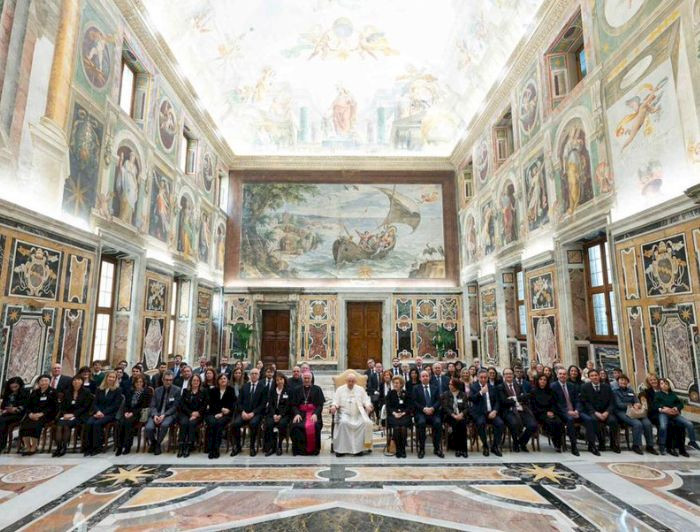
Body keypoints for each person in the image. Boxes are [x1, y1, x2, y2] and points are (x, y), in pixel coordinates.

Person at [330, 372, 373, 456]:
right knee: (343, 423)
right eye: (349, 381)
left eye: (352, 381)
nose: (351, 383)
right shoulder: (340, 389)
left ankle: (359, 449)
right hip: (344, 414)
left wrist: (368, 405)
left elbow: (366, 400)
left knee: (364, 423)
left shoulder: (360, 389)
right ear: (346, 381)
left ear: (355, 381)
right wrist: (334, 406)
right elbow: (335, 401)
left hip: (358, 414)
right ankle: (341, 450)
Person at [613, 374, 656, 455]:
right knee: (637, 424)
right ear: (618, 382)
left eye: (625, 380)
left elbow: (636, 400)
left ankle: (650, 446)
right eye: (621, 380)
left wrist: (637, 404)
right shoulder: (615, 392)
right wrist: (631, 405)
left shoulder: (630, 391)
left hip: (635, 411)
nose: (623, 381)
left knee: (647, 424)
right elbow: (619, 404)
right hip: (622, 411)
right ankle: (636, 445)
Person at [654, 378, 699, 455]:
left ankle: (692, 441)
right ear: (660, 386)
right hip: (663, 413)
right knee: (663, 427)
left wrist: (676, 408)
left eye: (666, 384)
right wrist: (664, 408)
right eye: (662, 384)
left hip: (674, 414)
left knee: (689, 424)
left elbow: (680, 404)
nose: (664, 385)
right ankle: (662, 445)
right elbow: (656, 404)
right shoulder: (658, 394)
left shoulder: (673, 394)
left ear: (669, 385)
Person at [580, 368, 620, 454]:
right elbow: (585, 403)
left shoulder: (607, 387)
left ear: (599, 376)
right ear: (589, 378)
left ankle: (613, 443)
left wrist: (607, 412)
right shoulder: (585, 387)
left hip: (606, 412)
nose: (594, 377)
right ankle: (601, 442)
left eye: (596, 375)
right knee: (593, 420)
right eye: (592, 376)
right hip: (593, 412)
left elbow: (612, 402)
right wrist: (595, 412)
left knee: (613, 421)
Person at [83, 371, 122, 456]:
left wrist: (103, 413)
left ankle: (97, 447)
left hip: (110, 414)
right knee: (89, 423)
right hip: (98, 412)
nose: (111, 379)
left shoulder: (117, 390)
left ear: (115, 379)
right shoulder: (99, 389)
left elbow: (115, 405)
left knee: (97, 424)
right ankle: (88, 447)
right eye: (109, 377)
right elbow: (95, 403)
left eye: (113, 377)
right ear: (106, 378)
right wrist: (97, 411)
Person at [499, 368, 538, 452]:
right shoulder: (500, 387)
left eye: (510, 374)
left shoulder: (519, 386)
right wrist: (517, 400)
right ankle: (515, 443)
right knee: (514, 423)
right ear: (504, 376)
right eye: (506, 374)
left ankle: (522, 442)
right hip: (508, 411)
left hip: (522, 409)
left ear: (513, 375)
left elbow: (526, 397)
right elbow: (503, 401)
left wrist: (514, 398)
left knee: (533, 425)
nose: (509, 375)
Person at [53, 375, 92, 457]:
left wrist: (73, 414)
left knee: (66, 426)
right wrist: (65, 414)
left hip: (80, 415)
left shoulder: (86, 392)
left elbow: (85, 407)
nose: (76, 382)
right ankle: (59, 447)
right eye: (74, 380)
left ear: (82, 382)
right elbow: (62, 406)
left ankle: (64, 447)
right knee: (59, 425)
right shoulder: (67, 392)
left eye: (78, 380)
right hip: (67, 415)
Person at [231, 368, 266, 456]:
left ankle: (252, 447)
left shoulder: (263, 387)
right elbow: (239, 402)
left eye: (256, 373)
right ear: (250, 375)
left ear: (259, 375)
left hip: (256, 414)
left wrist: (253, 413)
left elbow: (263, 404)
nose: (254, 375)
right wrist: (242, 412)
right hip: (244, 413)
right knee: (235, 424)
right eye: (252, 373)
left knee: (253, 424)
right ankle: (238, 446)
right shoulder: (245, 386)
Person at [19, 375, 57, 455]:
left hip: (46, 415)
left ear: (49, 382)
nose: (44, 382)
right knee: (24, 425)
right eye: (42, 381)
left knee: (35, 425)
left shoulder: (53, 392)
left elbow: (53, 406)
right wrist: (30, 414)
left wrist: (41, 414)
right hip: (32, 414)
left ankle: (34, 447)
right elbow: (28, 405)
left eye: (46, 381)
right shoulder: (34, 392)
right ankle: (28, 447)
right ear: (38, 383)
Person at [115, 373, 151, 456]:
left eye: (140, 382)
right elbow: (127, 404)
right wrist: (126, 412)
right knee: (120, 422)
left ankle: (127, 446)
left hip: (139, 414)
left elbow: (144, 406)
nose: (139, 384)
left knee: (128, 423)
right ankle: (119, 446)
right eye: (137, 382)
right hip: (128, 412)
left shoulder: (146, 392)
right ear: (134, 383)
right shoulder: (130, 391)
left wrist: (132, 413)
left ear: (143, 383)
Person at [145, 371, 181, 455]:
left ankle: (158, 444)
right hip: (156, 414)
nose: (168, 382)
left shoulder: (177, 390)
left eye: (170, 380)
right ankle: (153, 442)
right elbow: (152, 405)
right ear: (162, 380)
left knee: (164, 425)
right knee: (149, 427)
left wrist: (164, 415)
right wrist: (154, 415)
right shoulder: (157, 390)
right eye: (166, 380)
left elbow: (175, 407)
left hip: (169, 414)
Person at [290, 372, 325, 456]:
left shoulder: (317, 389)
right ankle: (299, 450)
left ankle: (314, 450)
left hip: (313, 413)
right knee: (296, 426)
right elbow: (294, 405)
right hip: (301, 414)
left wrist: (316, 414)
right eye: (305, 378)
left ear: (311, 379)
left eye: (308, 378)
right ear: (302, 379)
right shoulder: (297, 389)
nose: (306, 380)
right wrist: (297, 414)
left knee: (315, 425)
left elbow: (320, 405)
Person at [471, 369, 504, 457]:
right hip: (480, 413)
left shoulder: (492, 387)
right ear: (478, 378)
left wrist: (495, 411)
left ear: (488, 378)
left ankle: (495, 446)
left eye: (485, 377)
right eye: (481, 377)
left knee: (500, 424)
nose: (483, 379)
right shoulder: (474, 387)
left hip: (491, 412)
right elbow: (472, 399)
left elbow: (497, 401)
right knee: (481, 423)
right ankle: (485, 445)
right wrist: (481, 392)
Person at [412, 370, 444, 458]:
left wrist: (433, 408)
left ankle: (437, 448)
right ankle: (421, 448)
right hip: (421, 413)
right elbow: (414, 402)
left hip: (433, 413)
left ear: (429, 377)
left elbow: (439, 401)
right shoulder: (416, 388)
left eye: (426, 376)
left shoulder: (435, 388)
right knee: (421, 423)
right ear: (420, 378)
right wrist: (423, 409)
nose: (425, 377)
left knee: (438, 423)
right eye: (423, 376)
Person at [531, 373, 564, 452]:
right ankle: (555, 442)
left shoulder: (551, 391)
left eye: (545, 380)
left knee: (559, 422)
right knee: (550, 422)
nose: (543, 381)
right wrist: (546, 413)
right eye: (541, 379)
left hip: (551, 412)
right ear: (538, 381)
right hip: (540, 413)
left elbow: (554, 403)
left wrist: (551, 411)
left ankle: (558, 443)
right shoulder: (533, 391)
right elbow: (534, 407)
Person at [177, 373, 208, 457]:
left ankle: (189, 445)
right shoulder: (185, 391)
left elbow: (205, 405)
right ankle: (181, 446)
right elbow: (182, 405)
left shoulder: (204, 391)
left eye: (198, 380)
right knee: (184, 423)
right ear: (191, 381)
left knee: (192, 423)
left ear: (200, 382)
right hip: (186, 413)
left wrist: (197, 413)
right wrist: (190, 413)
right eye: (194, 380)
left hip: (198, 414)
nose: (196, 382)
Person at [205, 373, 235, 459]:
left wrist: (223, 413)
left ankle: (216, 449)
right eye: (221, 379)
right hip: (212, 413)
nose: (223, 380)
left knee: (219, 424)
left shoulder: (231, 390)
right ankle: (210, 449)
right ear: (218, 381)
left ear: (227, 380)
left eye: (224, 378)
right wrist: (219, 411)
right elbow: (211, 404)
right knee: (212, 423)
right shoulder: (213, 390)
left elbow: (232, 404)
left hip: (226, 415)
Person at [264, 372, 291, 456]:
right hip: (273, 414)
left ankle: (279, 446)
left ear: (284, 380)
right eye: (277, 380)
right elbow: (270, 404)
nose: (279, 381)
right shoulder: (272, 391)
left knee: (282, 424)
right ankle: (272, 447)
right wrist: (274, 415)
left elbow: (288, 405)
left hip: (284, 414)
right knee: (269, 424)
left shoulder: (288, 390)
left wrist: (280, 415)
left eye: (281, 379)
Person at [441, 378, 469, 458]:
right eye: (449, 384)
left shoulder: (463, 394)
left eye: (451, 384)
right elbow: (445, 407)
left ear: (456, 385)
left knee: (462, 426)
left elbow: (466, 407)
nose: (450, 385)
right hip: (450, 416)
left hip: (461, 416)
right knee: (456, 425)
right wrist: (454, 415)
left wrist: (461, 414)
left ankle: (464, 450)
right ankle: (458, 449)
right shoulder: (446, 394)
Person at [0, 377, 29, 452]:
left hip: (20, 414)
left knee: (2, 421)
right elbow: (3, 406)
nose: (14, 389)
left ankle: (1, 445)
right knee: (2, 420)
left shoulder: (25, 392)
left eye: (15, 387)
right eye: (12, 387)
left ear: (19, 385)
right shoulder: (8, 393)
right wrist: (5, 409)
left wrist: (15, 409)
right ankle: (2, 443)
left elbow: (26, 405)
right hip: (8, 413)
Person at [386, 376, 411, 458]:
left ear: (401, 384)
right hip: (393, 415)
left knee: (403, 427)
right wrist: (394, 413)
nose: (395, 384)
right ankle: (398, 449)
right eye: (394, 383)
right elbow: (388, 406)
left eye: (397, 383)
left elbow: (409, 406)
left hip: (404, 415)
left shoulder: (406, 393)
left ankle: (403, 449)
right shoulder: (390, 393)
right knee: (396, 427)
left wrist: (403, 413)